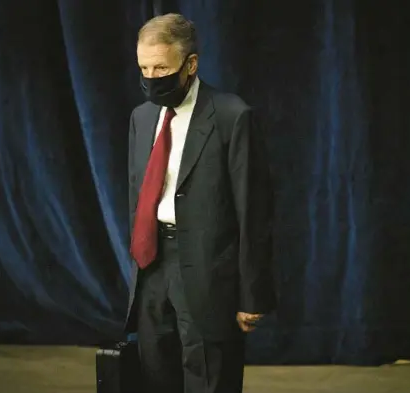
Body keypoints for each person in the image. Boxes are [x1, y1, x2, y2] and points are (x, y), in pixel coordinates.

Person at [124, 13, 276, 393]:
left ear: (190, 65)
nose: (151, 77)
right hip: (152, 268)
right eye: (144, 67)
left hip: (211, 274)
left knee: (209, 379)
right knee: (157, 375)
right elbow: (138, 195)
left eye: (161, 67)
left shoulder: (231, 116)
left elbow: (253, 212)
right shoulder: (141, 118)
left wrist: (251, 294)